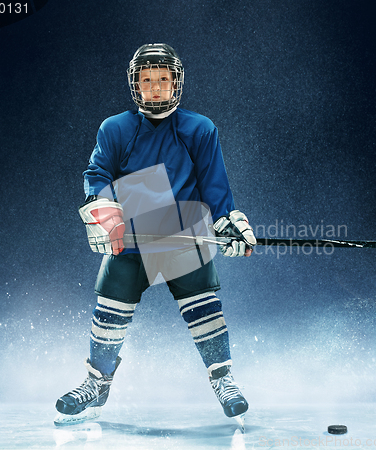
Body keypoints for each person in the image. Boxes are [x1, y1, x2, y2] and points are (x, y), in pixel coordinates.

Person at [54, 43, 256, 427]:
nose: (156, 87)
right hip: (130, 239)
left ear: (176, 82)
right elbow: (97, 175)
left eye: (163, 79)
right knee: (110, 310)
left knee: (203, 308)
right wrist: (104, 206)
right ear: (136, 85)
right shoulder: (114, 129)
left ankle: (223, 378)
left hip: (183, 235)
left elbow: (215, 187)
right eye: (147, 80)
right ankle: (97, 382)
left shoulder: (200, 128)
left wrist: (229, 222)